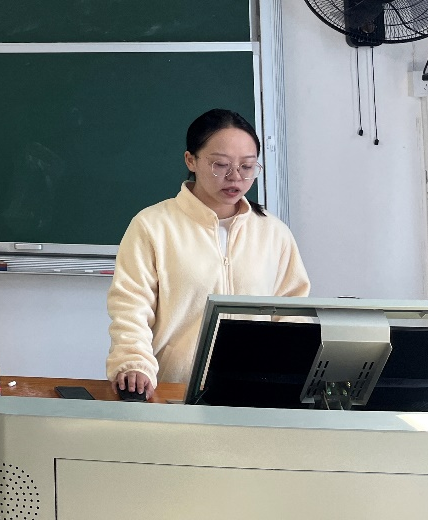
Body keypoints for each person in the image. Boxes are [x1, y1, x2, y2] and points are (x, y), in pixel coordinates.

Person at [105, 108, 309, 399]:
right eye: (220, 164)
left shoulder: (274, 233)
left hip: (256, 395)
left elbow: (293, 314)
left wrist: (289, 376)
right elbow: (131, 306)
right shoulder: (153, 226)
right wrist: (133, 363)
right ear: (191, 160)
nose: (235, 176)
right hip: (174, 391)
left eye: (247, 166)